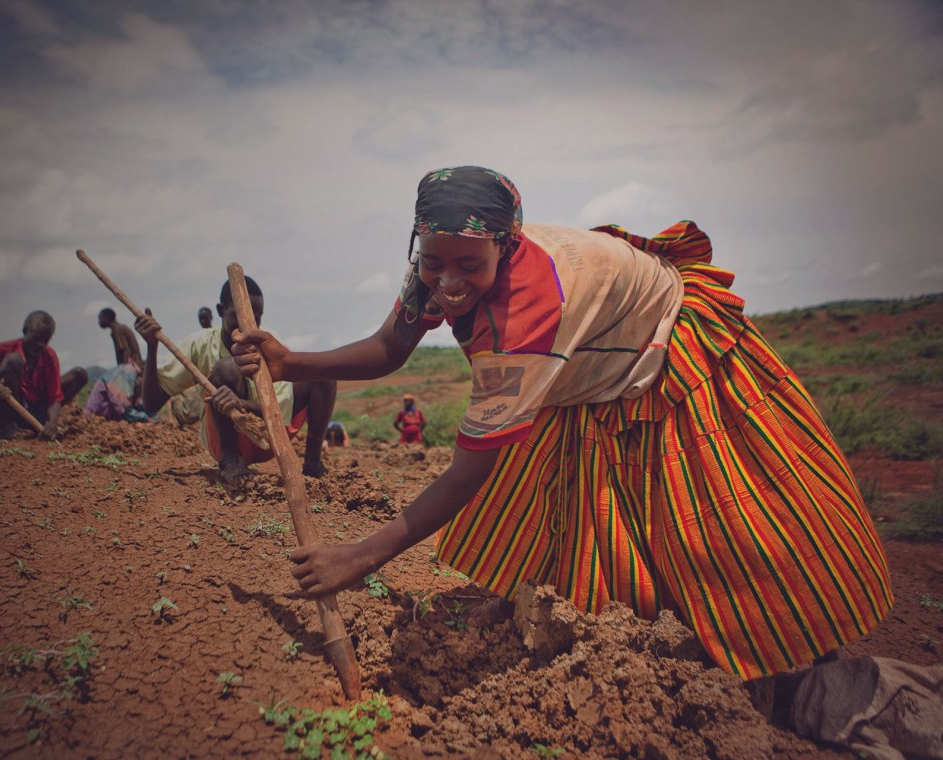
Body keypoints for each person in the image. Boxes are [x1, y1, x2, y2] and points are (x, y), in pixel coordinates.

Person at [233, 165, 892, 684]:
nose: (448, 280)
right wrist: (291, 360)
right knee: (568, 508)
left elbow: (470, 470)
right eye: (433, 260)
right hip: (588, 363)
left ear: (505, 243)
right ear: (420, 243)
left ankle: (779, 644)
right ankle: (602, 615)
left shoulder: (528, 310)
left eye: (469, 264)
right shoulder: (439, 259)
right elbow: (392, 347)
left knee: (717, 520)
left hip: (666, 348)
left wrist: (362, 555)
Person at [135, 277, 337, 486]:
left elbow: (276, 413)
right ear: (221, 310)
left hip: (267, 436)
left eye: (256, 319)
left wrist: (241, 405)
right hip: (223, 441)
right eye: (239, 317)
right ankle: (231, 461)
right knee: (226, 368)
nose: (248, 328)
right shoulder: (200, 345)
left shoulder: (267, 343)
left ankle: (313, 464)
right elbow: (151, 404)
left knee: (324, 374)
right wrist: (152, 348)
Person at [0, 310, 88, 441]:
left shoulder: (49, 356)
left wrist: (52, 424)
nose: (40, 345)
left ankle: (37, 425)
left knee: (79, 375)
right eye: (35, 338)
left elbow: (54, 398)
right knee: (13, 361)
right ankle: (8, 426)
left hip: (31, 411)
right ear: (24, 331)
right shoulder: (1, 350)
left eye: (45, 341)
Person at [97, 308, 144, 372]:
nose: (99, 322)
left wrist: (123, 370)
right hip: (136, 365)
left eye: (100, 318)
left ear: (106, 318)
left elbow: (125, 351)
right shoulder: (120, 328)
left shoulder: (117, 330)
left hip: (133, 368)